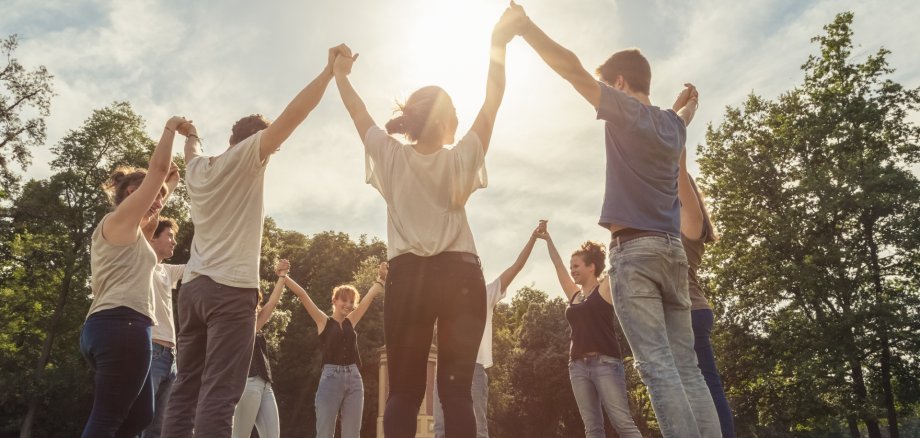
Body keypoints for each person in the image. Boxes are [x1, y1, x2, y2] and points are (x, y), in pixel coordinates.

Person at [507, 3, 720, 436]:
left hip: (636, 254)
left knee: (657, 367)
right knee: (688, 368)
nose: (603, 92)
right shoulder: (671, 127)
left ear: (620, 83)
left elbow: (571, 69)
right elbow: (681, 116)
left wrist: (526, 28)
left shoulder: (625, 111)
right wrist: (687, 104)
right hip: (674, 254)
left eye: (608, 85)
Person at [330, 8, 522, 437]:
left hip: (409, 277)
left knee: (404, 391)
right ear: (444, 117)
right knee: (456, 395)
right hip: (460, 275)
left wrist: (339, 74)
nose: (458, 114)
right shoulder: (462, 156)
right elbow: (493, 100)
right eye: (454, 108)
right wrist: (499, 43)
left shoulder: (391, 156)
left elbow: (358, 112)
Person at [161, 45, 350, 437]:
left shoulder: (197, 169)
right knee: (219, 396)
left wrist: (190, 132)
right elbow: (294, 115)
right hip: (229, 292)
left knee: (185, 390)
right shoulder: (250, 155)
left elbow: (192, 148)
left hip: (192, 292)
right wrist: (329, 72)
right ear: (260, 140)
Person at [80, 116, 188, 437]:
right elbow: (156, 174)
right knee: (107, 418)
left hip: (114, 328)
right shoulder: (118, 221)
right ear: (130, 192)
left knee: (140, 415)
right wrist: (169, 129)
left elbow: (155, 200)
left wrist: (170, 186)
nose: (158, 202)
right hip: (121, 326)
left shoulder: (133, 233)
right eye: (152, 194)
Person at [432, 224, 542, 438]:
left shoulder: (487, 293)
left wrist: (533, 238)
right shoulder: (444, 298)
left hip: (473, 368)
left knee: (477, 429)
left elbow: (517, 266)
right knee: (441, 429)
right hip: (444, 368)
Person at [536, 221, 641, 438]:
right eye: (572, 266)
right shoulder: (575, 296)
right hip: (577, 368)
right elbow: (558, 266)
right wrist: (548, 239)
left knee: (623, 423)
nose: (572, 270)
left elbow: (617, 262)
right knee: (592, 428)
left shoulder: (604, 289)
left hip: (605, 364)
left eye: (577, 266)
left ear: (591, 267)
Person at [283, 261, 387, 438]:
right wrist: (283, 276)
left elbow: (368, 299)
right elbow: (302, 294)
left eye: (351, 302)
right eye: (344, 300)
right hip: (330, 380)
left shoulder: (351, 321)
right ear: (334, 301)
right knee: (324, 433)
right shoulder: (323, 322)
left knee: (352, 434)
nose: (348, 305)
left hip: (354, 379)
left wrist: (380, 279)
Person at [679, 152, 736, 437]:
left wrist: (675, 143)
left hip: (692, 312)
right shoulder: (672, 225)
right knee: (692, 384)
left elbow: (679, 174)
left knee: (707, 383)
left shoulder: (692, 222)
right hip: (684, 312)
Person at [230, 260, 291, 438]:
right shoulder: (240, 326)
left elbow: (272, 303)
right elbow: (271, 305)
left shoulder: (255, 324)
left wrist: (282, 277)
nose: (255, 304)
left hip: (265, 385)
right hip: (248, 384)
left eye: (256, 300)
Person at [139, 217, 186, 438]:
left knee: (158, 428)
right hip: (151, 350)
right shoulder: (140, 260)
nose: (174, 241)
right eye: (169, 235)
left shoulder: (167, 271)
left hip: (171, 358)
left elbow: (200, 265)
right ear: (153, 237)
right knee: (139, 420)